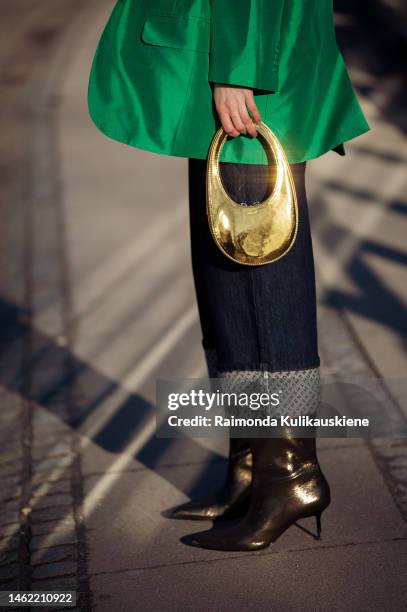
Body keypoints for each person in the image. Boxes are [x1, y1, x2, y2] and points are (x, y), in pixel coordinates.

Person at [87, 0, 370, 551]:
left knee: (260, 281)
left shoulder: (243, 72)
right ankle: (250, 464)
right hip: (236, 55)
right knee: (225, 279)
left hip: (250, 64)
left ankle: (289, 471)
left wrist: (240, 70)